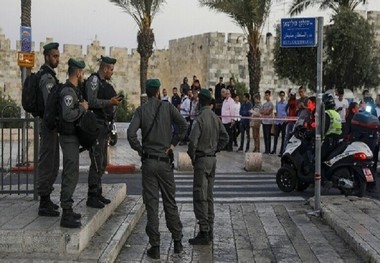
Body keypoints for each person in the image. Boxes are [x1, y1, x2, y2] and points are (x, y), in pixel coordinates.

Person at [127, 79, 188, 259]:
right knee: (170, 201)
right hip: (164, 161)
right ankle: (177, 241)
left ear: (147, 92)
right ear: (158, 92)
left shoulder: (141, 111)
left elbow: (131, 134)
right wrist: (172, 144)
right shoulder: (168, 108)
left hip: (148, 162)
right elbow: (183, 125)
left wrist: (140, 150)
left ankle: (155, 246)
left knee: (152, 204)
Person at [187, 88, 229, 245]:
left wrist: (193, 156)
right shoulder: (215, 117)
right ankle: (209, 227)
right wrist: (216, 148)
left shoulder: (200, 119)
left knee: (200, 195)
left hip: (202, 160)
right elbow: (225, 137)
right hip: (212, 159)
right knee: (209, 195)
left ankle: (204, 230)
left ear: (200, 102)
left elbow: (193, 141)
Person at [85, 56, 121, 209]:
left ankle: (98, 191)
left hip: (103, 126)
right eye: (111, 70)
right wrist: (109, 102)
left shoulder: (104, 83)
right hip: (95, 126)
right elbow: (91, 101)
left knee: (103, 162)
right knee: (97, 161)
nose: (112, 73)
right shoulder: (94, 81)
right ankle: (92, 195)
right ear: (105, 69)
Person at [58, 58, 88, 228]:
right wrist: (82, 108)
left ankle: (68, 210)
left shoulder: (74, 90)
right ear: (77, 73)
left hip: (73, 137)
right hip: (68, 137)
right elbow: (67, 115)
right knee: (70, 172)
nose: (83, 75)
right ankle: (66, 212)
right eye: (82, 72)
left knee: (72, 172)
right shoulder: (68, 93)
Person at [37, 42, 61, 217]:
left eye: (58, 56)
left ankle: (47, 199)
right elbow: (49, 104)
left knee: (53, 163)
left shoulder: (50, 76)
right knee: (47, 163)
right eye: (54, 56)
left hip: (51, 126)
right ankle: (43, 202)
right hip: (47, 126)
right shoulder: (46, 78)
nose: (57, 59)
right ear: (46, 57)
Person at [321, 93, 342, 162]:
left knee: (320, 159)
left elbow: (324, 128)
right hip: (337, 141)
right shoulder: (337, 114)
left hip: (328, 141)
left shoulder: (327, 113)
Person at [272, 90, 287, 156]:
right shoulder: (277, 103)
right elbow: (276, 111)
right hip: (278, 122)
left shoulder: (286, 103)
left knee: (283, 137)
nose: (282, 96)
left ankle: (282, 150)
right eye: (281, 95)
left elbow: (286, 111)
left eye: (283, 95)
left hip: (283, 121)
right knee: (276, 136)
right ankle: (274, 149)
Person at [260, 90, 274, 154]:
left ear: (269, 95)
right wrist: (264, 112)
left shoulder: (271, 104)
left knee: (268, 136)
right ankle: (266, 149)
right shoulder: (264, 104)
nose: (266, 96)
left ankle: (268, 149)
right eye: (265, 95)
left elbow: (268, 112)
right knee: (265, 136)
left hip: (269, 122)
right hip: (264, 121)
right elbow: (261, 111)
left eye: (267, 95)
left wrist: (264, 112)